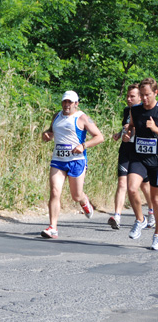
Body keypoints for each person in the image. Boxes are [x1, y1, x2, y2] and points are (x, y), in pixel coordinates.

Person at [41, 90, 104, 239]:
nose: (66, 105)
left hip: (76, 160)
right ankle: (53, 227)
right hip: (58, 160)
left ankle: (84, 201)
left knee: (76, 195)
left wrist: (83, 145)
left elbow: (99, 137)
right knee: (55, 191)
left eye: (70, 102)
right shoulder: (57, 116)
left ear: (76, 103)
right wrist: (46, 135)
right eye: (64, 101)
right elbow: (50, 132)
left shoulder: (82, 118)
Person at [108, 84, 154, 230]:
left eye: (132, 96)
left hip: (143, 154)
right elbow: (128, 126)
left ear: (140, 97)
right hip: (126, 150)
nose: (128, 99)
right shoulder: (128, 111)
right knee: (123, 184)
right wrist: (120, 134)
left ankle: (151, 212)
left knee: (145, 186)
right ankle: (117, 216)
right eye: (127, 96)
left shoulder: (148, 111)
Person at [122, 77, 158, 250]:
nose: (144, 98)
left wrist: (155, 129)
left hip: (156, 160)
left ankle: (157, 235)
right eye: (142, 95)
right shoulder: (135, 110)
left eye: (147, 95)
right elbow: (131, 125)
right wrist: (128, 133)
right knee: (131, 188)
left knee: (156, 199)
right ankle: (140, 219)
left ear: (155, 93)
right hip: (139, 157)